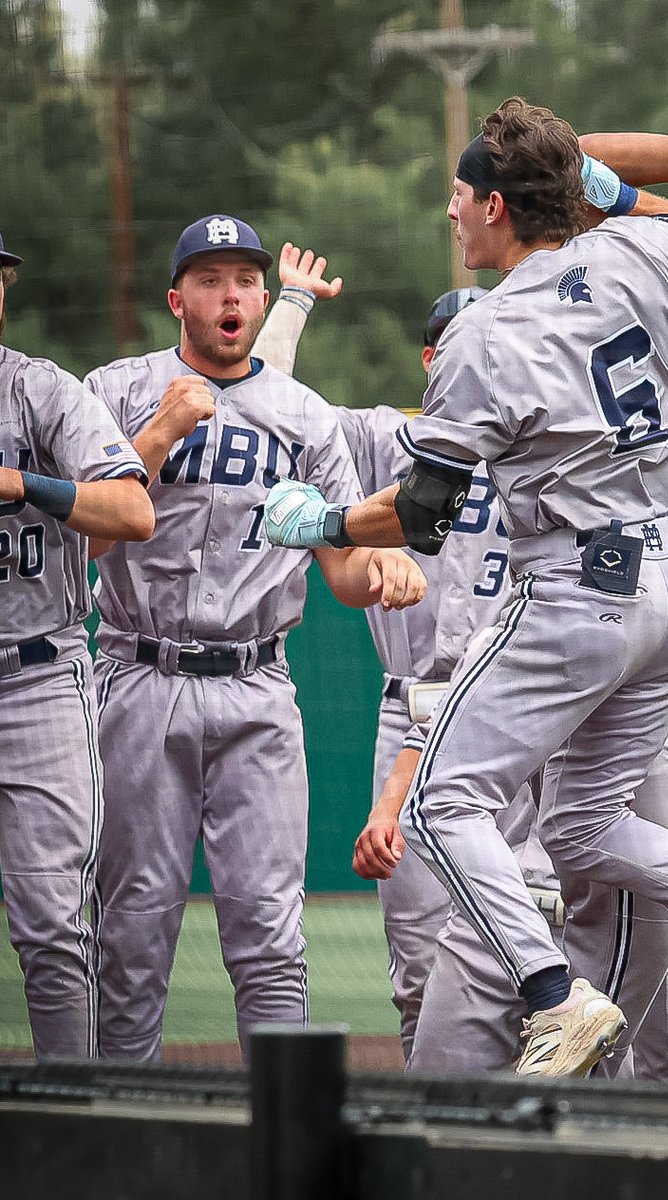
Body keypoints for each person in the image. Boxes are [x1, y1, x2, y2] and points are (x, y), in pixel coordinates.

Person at [262, 98, 668, 1079]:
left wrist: (325, 523)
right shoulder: (633, 262)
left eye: (457, 196)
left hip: (579, 586)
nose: (449, 214)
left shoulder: (485, 334)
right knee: (585, 825)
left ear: (492, 208)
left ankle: (555, 997)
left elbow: (428, 512)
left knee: (439, 804)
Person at [85, 214, 426, 1062]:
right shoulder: (117, 389)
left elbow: (345, 572)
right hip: (138, 673)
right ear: (178, 300)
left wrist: (384, 567)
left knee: (271, 935)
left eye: (244, 279)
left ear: (263, 297)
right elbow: (76, 541)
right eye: (210, 279)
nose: (229, 293)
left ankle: (283, 1145)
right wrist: (159, 432)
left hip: (256, 686)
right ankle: (122, 1138)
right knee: (133, 929)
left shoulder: (304, 416)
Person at [253, 264, 501, 1061]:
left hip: (521, 706)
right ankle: (437, 1128)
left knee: (540, 944)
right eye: (463, 346)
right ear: (433, 363)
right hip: (413, 702)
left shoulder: (546, 450)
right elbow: (269, 405)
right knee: (418, 965)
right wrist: (290, 304)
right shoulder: (381, 439)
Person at [0, 231, 154, 1058]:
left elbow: (133, 513)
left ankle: (77, 1125)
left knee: (53, 925)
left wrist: (26, 483)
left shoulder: (38, 393)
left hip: (34, 678)